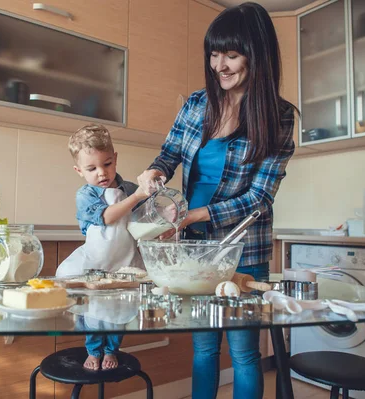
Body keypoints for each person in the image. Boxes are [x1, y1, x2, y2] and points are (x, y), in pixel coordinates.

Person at [137, 3, 297, 398]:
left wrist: (196, 214)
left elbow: (260, 196)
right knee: (204, 344)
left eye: (231, 54)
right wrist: (154, 172)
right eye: (213, 53)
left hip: (243, 245)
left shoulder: (277, 117)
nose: (219, 65)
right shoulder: (197, 104)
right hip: (196, 245)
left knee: (243, 352)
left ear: (256, 55)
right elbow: (169, 153)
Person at [56, 124, 148, 370]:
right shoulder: (85, 195)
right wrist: (137, 197)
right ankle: (94, 350)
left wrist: (161, 210)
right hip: (97, 262)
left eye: (107, 164)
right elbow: (107, 217)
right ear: (78, 170)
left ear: (115, 158)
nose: (101, 173)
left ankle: (111, 349)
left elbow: (145, 216)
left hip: (126, 262)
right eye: (91, 168)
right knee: (95, 311)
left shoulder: (128, 188)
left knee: (120, 310)